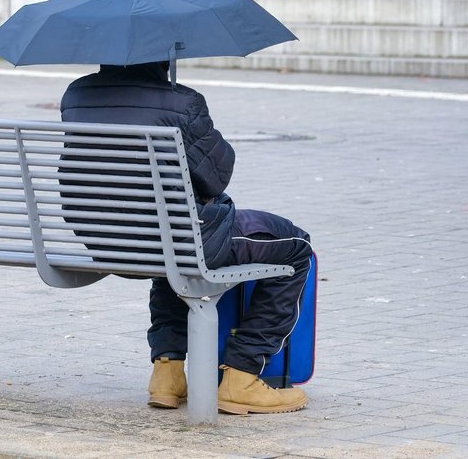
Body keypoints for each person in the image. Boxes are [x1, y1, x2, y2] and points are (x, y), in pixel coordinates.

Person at [60, 62, 313, 415]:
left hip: (106, 242)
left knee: (173, 244)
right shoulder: (183, 103)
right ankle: (242, 376)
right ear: (164, 57)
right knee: (297, 248)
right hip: (171, 239)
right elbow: (217, 176)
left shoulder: (76, 96)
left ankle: (168, 372)